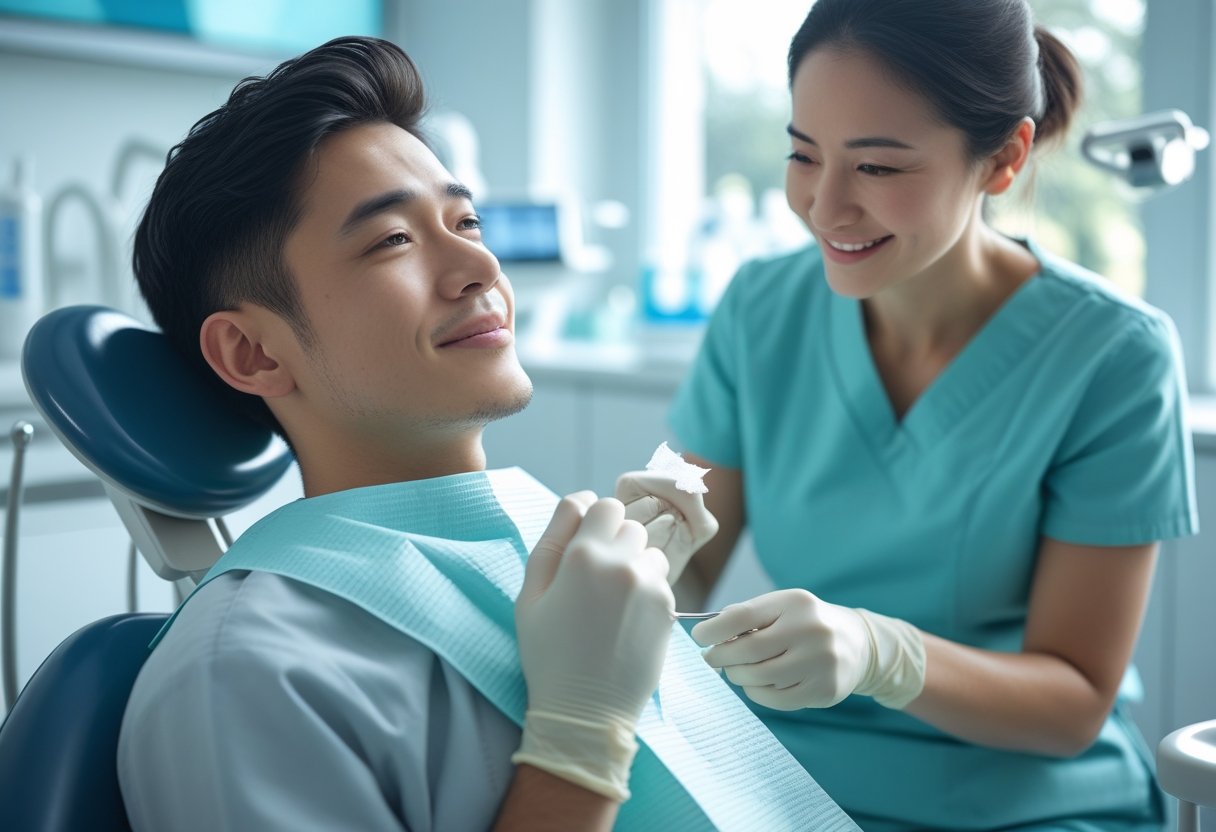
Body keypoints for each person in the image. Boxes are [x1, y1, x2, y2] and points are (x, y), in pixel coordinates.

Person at [115, 35, 859, 832]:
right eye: (393, 240)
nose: (478, 268)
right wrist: (580, 735)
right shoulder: (247, 677)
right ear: (254, 351)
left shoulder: (547, 555)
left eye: (466, 220)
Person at [668, 1, 1199, 830]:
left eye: (877, 169)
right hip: (779, 777)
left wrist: (886, 656)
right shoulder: (759, 308)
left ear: (1003, 159)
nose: (825, 206)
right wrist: (636, 550)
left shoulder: (1113, 357)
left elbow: (1073, 703)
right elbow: (687, 553)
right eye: (804, 154)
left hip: (1023, 801)